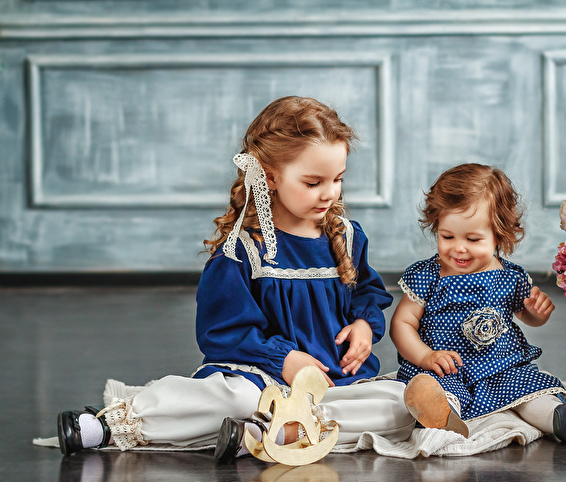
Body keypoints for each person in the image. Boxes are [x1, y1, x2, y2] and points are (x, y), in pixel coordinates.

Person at [56, 96, 415, 462]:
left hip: (334, 380)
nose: (330, 193)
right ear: (270, 176)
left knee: (398, 403)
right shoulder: (242, 250)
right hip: (261, 376)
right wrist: (282, 359)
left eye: (338, 179)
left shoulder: (348, 237)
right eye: (313, 182)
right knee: (237, 399)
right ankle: (107, 425)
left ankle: (273, 431)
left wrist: (364, 325)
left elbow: (367, 293)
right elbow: (222, 332)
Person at [390, 163, 566, 446]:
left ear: (499, 235)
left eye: (473, 239)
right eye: (447, 236)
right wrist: (425, 356)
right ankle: (442, 417)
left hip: (501, 367)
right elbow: (402, 323)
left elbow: (526, 314)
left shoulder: (510, 276)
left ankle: (565, 420)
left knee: (529, 390)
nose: (458, 247)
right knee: (434, 390)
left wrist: (536, 314)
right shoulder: (427, 275)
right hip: (444, 368)